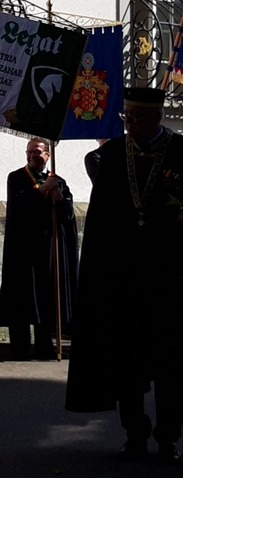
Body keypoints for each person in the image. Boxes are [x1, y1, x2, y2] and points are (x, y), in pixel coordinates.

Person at [64, 87, 183, 463]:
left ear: (156, 118)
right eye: (126, 118)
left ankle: (168, 437)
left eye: (136, 118)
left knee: (169, 367)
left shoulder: (180, 153)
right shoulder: (113, 155)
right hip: (124, 281)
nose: (129, 124)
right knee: (127, 364)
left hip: (170, 281)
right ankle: (135, 434)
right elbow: (101, 222)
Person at [0, 138, 79, 360]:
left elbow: (68, 215)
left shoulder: (58, 180)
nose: (33, 155)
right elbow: (19, 206)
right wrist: (42, 191)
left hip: (48, 251)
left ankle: (45, 346)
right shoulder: (17, 177)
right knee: (22, 298)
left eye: (38, 152)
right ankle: (20, 348)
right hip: (23, 251)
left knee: (46, 298)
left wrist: (58, 196)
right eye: (29, 152)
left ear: (48, 155)